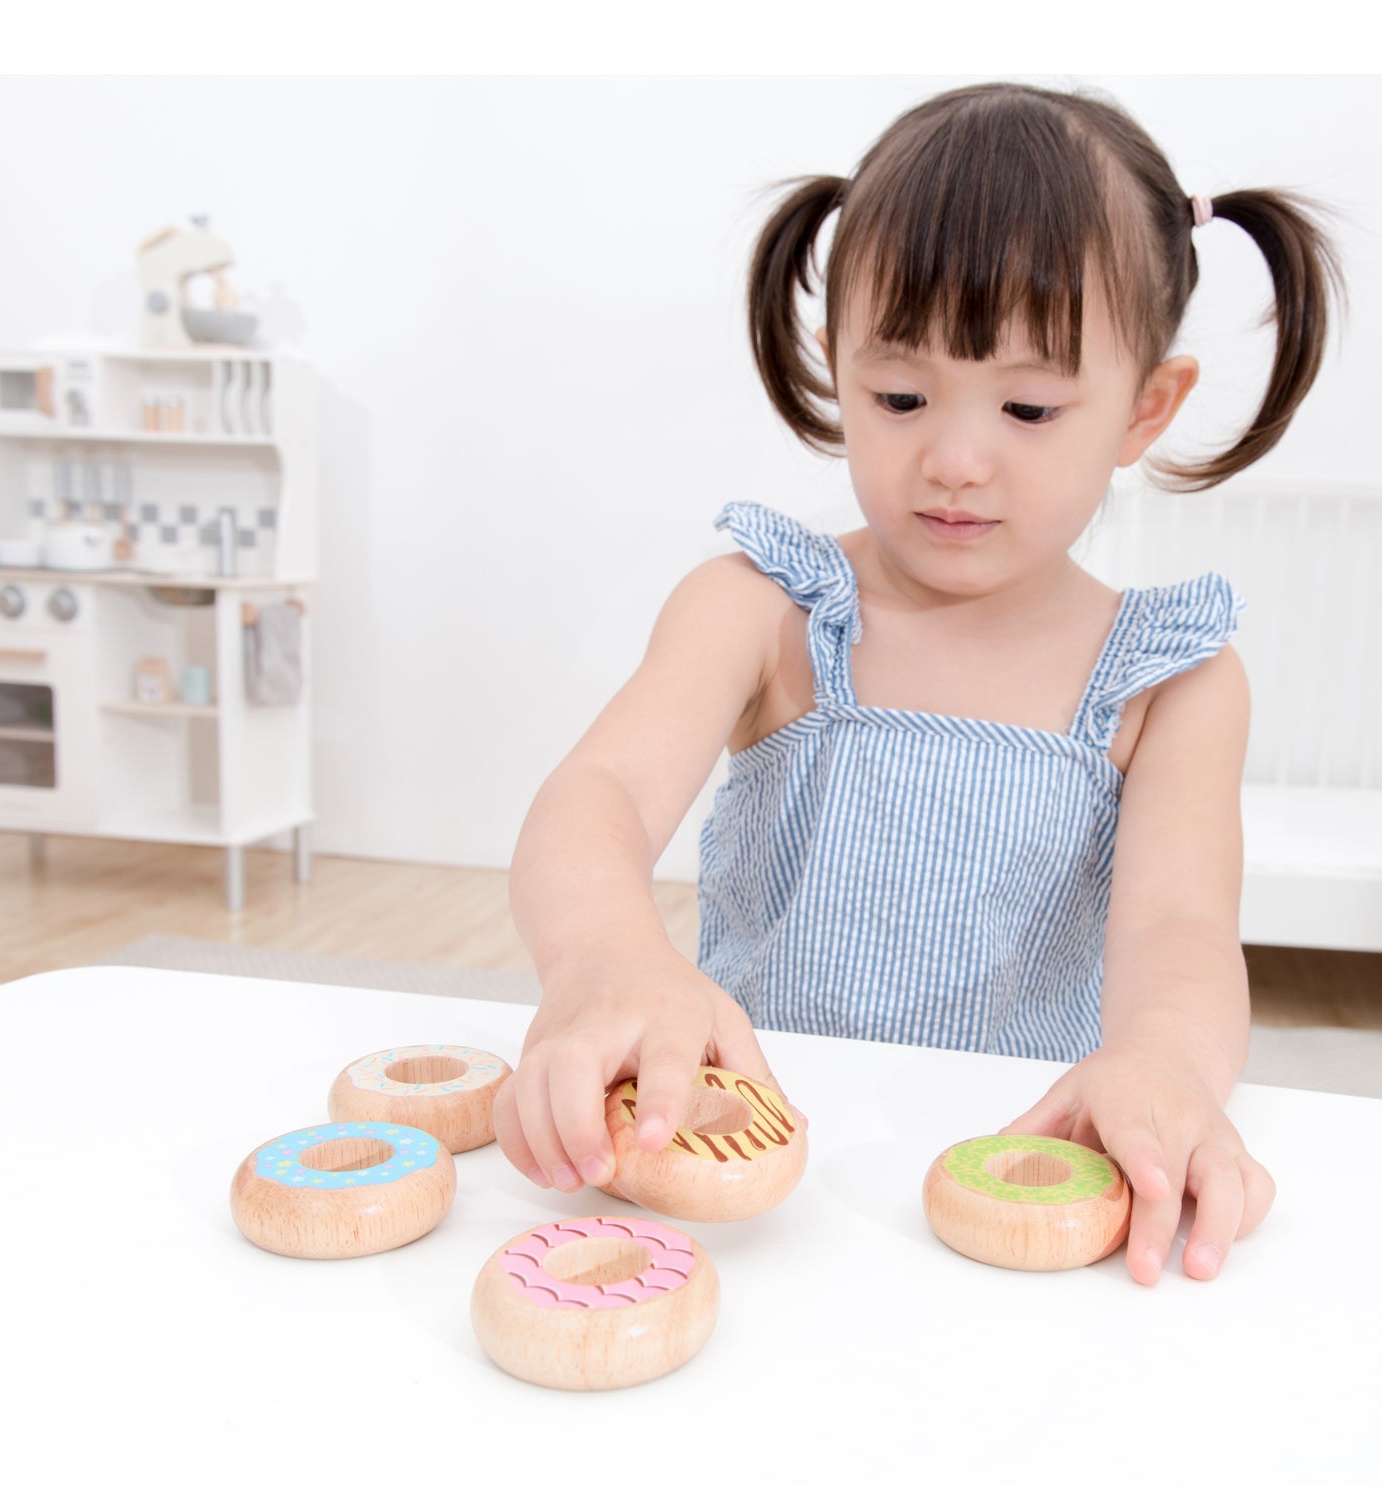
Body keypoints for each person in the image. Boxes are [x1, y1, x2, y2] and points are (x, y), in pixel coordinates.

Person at [494, 81, 1343, 1286]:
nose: (953, 459)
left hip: (1026, 1174)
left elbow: (1180, 932)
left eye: (1029, 406)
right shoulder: (768, 608)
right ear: (837, 370)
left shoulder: (1172, 682)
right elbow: (602, 794)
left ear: (1144, 409)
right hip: (749, 1163)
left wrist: (1165, 1063)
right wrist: (604, 959)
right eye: (899, 397)